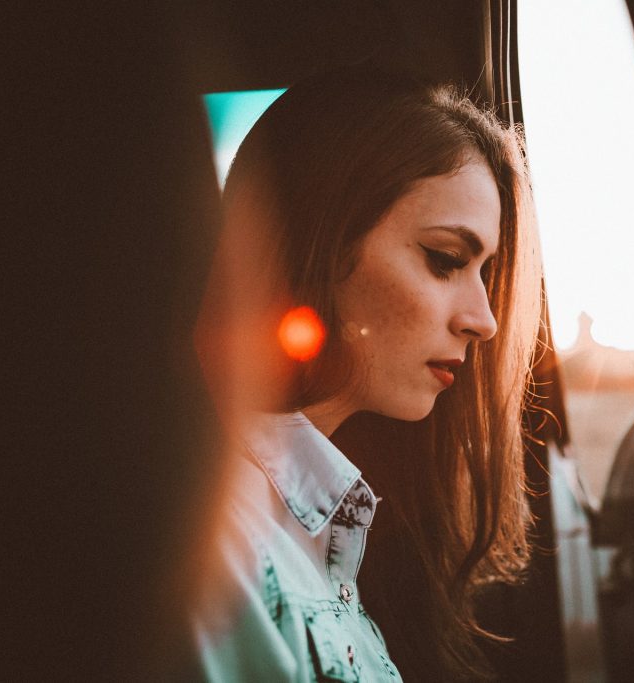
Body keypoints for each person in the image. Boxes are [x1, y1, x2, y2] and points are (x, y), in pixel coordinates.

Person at [191, 68, 542, 681]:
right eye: (445, 260)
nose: (483, 321)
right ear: (319, 240)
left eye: (484, 271)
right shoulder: (223, 548)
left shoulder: (339, 527)